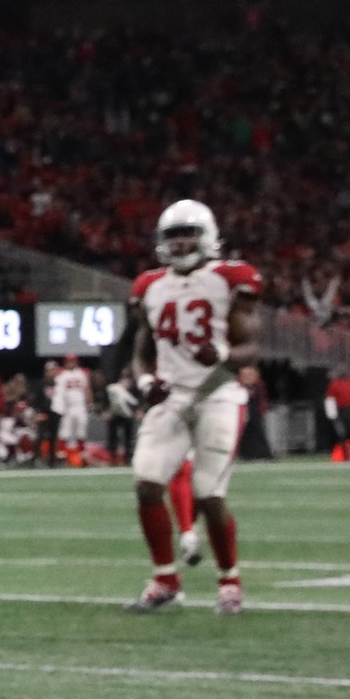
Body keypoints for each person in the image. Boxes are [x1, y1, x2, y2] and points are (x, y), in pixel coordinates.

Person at [123, 199, 259, 614]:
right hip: (172, 396)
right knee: (147, 483)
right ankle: (165, 579)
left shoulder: (230, 278)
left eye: (188, 234)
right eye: (173, 236)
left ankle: (229, 582)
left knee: (209, 493)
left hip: (218, 393)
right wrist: (145, 382)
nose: (180, 244)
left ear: (208, 237)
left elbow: (251, 347)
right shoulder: (149, 285)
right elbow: (141, 350)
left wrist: (222, 354)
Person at [49, 355, 94, 465]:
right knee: (65, 432)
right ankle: (61, 456)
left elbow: (87, 388)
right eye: (69, 361)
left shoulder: (82, 373)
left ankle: (82, 456)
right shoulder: (62, 374)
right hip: (67, 407)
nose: (71, 363)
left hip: (80, 406)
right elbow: (58, 391)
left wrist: (90, 403)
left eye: (73, 361)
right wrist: (59, 407)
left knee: (81, 432)